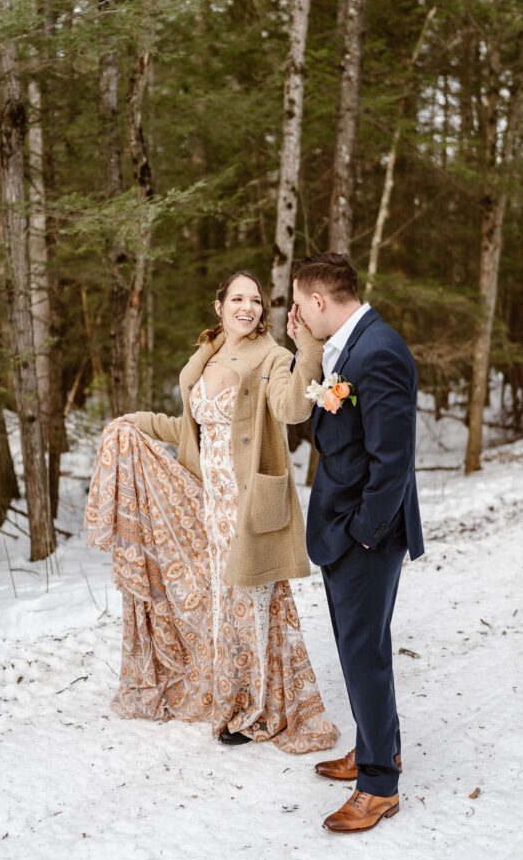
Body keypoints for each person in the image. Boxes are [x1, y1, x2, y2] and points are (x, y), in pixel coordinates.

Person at [85, 271, 338, 754]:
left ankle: (252, 710)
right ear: (218, 305)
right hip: (209, 501)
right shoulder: (208, 354)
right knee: (225, 605)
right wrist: (139, 421)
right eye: (238, 298)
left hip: (249, 504)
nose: (248, 307)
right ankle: (233, 695)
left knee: (251, 605)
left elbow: (291, 409)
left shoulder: (272, 357)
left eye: (256, 300)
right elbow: (191, 428)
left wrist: (309, 348)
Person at [289, 253, 424, 831]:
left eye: (297, 304)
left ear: (320, 300)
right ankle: (377, 747)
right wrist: (306, 357)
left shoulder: (379, 350)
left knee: (363, 653)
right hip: (343, 526)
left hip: (365, 534)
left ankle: (379, 786)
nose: (293, 315)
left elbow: (393, 462)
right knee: (356, 646)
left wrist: (361, 536)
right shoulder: (348, 344)